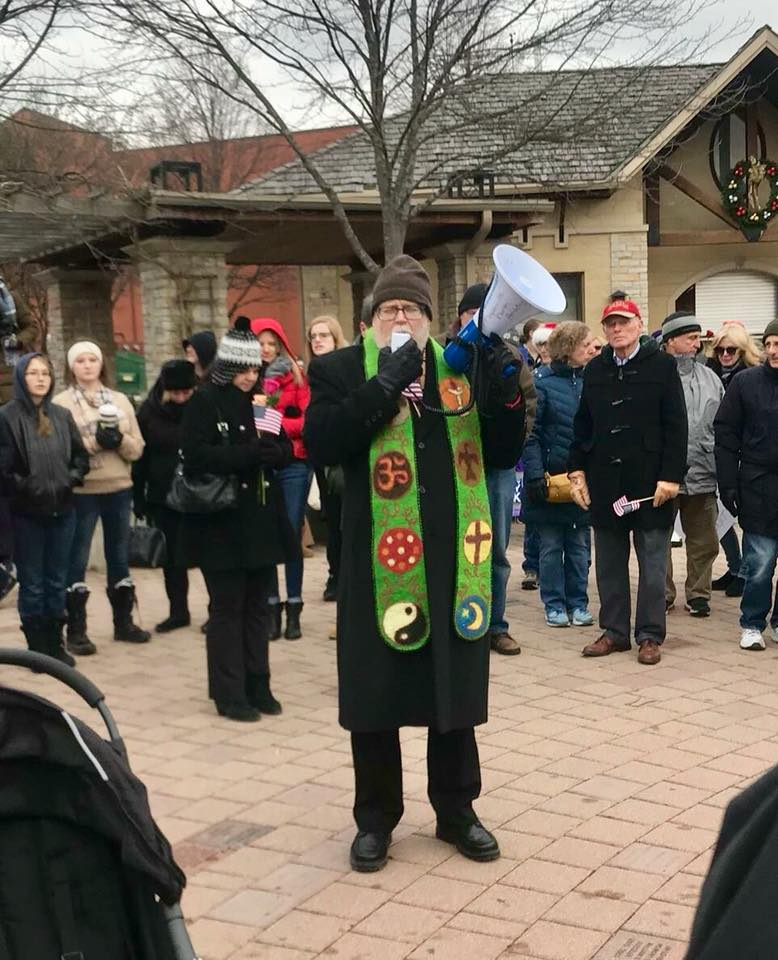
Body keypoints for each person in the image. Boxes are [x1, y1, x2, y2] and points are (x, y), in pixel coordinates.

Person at [304, 255, 526, 872]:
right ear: (370, 319)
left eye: (412, 310)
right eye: (389, 309)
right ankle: (375, 819)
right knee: (375, 697)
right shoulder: (340, 369)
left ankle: (457, 811)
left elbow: (504, 451)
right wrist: (382, 387)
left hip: (456, 562)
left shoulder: (456, 371)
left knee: (451, 695)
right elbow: (322, 441)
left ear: (430, 320)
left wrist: (506, 391)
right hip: (377, 564)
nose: (400, 317)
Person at [179, 318, 297, 720]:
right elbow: (195, 455)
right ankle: (229, 693)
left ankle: (258, 683)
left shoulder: (258, 401)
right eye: (244, 369)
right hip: (222, 522)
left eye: (255, 370)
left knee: (258, 608)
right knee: (227, 609)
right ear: (228, 367)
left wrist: (277, 454)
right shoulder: (204, 401)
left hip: (259, 520)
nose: (251, 376)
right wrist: (247, 456)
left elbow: (281, 444)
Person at [568, 294, 687, 666]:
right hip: (606, 481)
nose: (616, 329)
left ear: (638, 325)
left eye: (623, 322)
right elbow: (582, 426)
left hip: (650, 482)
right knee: (608, 564)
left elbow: (676, 425)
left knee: (653, 565)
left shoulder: (663, 366)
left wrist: (670, 476)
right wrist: (576, 470)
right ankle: (615, 632)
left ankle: (650, 635)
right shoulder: (595, 370)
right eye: (610, 324)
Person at [449, 283, 536, 656]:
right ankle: (456, 622)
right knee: (454, 546)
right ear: (462, 316)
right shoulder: (444, 352)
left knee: (494, 548)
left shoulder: (509, 355)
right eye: (472, 314)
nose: (479, 321)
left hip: (496, 465)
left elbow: (529, 407)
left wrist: (511, 432)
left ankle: (495, 625)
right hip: (453, 464)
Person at [54, 342, 148, 654]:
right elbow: (62, 451)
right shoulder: (62, 403)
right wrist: (94, 442)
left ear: (101, 363)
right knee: (76, 557)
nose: (87, 365)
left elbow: (137, 447)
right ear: (72, 367)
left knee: (118, 555)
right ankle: (76, 629)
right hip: (83, 491)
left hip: (119, 486)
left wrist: (119, 440)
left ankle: (123, 623)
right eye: (80, 360)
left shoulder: (120, 400)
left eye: (92, 358)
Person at [0, 353, 89, 664]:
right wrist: (28, 486)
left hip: (63, 510)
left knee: (57, 578)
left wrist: (70, 479)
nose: (40, 379)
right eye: (33, 373)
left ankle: (56, 643)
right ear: (22, 378)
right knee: (33, 581)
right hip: (26, 513)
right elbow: (4, 468)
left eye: (45, 373)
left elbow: (80, 458)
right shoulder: (7, 417)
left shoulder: (61, 415)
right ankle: (37, 648)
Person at [523, 322, 596, 627]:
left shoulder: (593, 380)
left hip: (582, 481)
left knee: (580, 546)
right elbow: (531, 433)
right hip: (551, 481)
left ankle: (578, 602)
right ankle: (554, 603)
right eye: (586, 345)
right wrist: (536, 474)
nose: (593, 349)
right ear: (569, 348)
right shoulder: (542, 382)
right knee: (551, 547)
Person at [714, 319, 778, 651]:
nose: (773, 350)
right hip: (757, 485)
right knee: (760, 562)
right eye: (768, 343)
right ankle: (752, 622)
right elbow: (725, 435)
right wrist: (728, 482)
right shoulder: (745, 383)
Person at [252, 318, 312, 641]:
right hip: (260, 463)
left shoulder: (295, 376)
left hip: (293, 462)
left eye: (272, 344)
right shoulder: (247, 378)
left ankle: (294, 607)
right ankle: (271, 607)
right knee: (266, 535)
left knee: (290, 532)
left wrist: (277, 423)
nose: (266, 350)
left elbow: (307, 419)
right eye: (261, 343)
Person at [661, 313, 723, 618]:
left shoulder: (710, 377)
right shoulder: (657, 375)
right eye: (690, 338)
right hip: (662, 476)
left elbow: (722, 422)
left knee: (704, 540)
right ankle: (662, 594)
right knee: (657, 539)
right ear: (671, 341)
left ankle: (699, 594)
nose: (697, 345)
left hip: (703, 472)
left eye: (698, 339)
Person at [133, 360, 197, 633]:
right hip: (162, 493)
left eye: (187, 393)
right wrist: (139, 497)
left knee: (205, 552)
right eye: (176, 394)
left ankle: (216, 609)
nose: (182, 399)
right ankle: (178, 611)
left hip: (198, 493)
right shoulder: (149, 412)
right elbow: (140, 459)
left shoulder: (201, 407)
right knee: (171, 558)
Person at [708, 322, 762, 597]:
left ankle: (745, 572)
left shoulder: (751, 377)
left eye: (731, 350)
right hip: (718, 452)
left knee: (746, 520)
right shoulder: (711, 373)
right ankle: (736, 566)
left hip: (748, 456)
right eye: (720, 349)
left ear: (742, 351)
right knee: (719, 516)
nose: (725, 355)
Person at [305, 315, 347, 602]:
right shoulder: (307, 372)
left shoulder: (345, 370)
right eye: (313, 336)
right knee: (332, 517)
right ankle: (335, 574)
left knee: (346, 516)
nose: (317, 340)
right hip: (319, 455)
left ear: (336, 338)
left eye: (324, 335)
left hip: (342, 454)